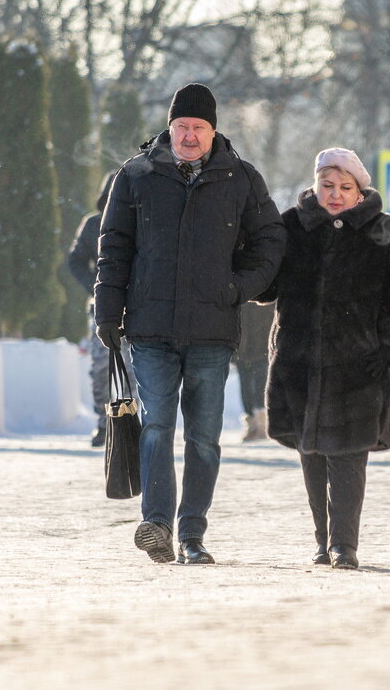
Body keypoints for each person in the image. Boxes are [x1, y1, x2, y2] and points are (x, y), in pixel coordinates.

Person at [95, 83, 286, 565]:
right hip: (150, 329)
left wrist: (237, 288)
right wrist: (107, 311)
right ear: (170, 126)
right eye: (181, 126)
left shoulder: (240, 179)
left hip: (212, 331)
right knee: (157, 425)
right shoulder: (136, 176)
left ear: (213, 129)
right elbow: (113, 248)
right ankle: (156, 522)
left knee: (203, 437)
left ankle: (192, 533)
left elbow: (271, 241)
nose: (188, 136)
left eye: (198, 127)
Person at [260, 148, 390, 570]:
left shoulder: (381, 229)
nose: (335, 196)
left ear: (360, 190)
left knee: (349, 457)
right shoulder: (292, 226)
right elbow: (266, 285)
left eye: (344, 188)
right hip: (299, 361)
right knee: (310, 451)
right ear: (315, 185)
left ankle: (344, 546)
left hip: (358, 365)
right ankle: (322, 541)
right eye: (327, 186)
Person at [67, 170, 135, 448]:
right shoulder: (93, 224)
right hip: (101, 308)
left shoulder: (140, 222)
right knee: (100, 368)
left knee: (135, 370)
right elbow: (75, 261)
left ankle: (130, 425)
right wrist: (95, 287)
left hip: (137, 308)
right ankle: (103, 424)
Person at [235, 299, 273, 442]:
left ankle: (261, 426)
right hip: (243, 350)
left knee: (260, 387)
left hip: (261, 348)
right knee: (246, 388)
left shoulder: (266, 289)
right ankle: (253, 424)